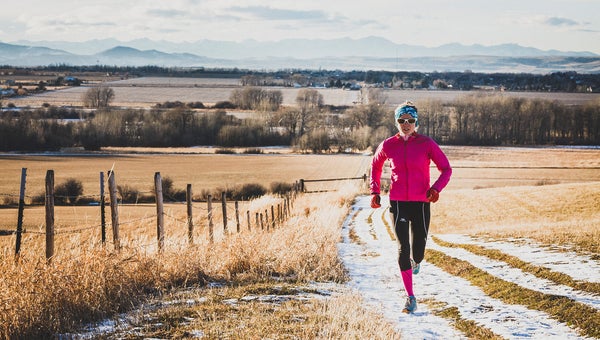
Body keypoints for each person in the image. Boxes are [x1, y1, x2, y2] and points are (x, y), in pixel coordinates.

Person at [369, 101, 452, 313]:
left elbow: (446, 169)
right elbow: (376, 166)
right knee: (402, 248)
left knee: (419, 249)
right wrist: (375, 191)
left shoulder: (426, 143)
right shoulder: (388, 144)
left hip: (421, 202)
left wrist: (436, 189)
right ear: (396, 122)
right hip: (397, 202)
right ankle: (410, 296)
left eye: (410, 120)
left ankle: (417, 261)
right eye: (402, 120)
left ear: (416, 122)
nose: (406, 124)